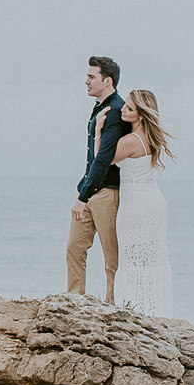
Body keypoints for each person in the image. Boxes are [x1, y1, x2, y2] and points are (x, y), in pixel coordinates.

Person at [112, 89, 175, 316]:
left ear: (140, 114)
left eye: (129, 108)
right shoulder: (151, 138)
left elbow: (104, 158)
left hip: (136, 206)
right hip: (153, 202)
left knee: (132, 259)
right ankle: (154, 310)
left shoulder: (130, 141)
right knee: (151, 261)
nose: (122, 110)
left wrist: (99, 131)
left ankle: (134, 309)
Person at [66, 56, 124, 301]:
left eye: (91, 77)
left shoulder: (116, 110)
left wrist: (82, 197)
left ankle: (113, 302)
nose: (86, 81)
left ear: (107, 81)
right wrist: (84, 190)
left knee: (111, 255)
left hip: (107, 191)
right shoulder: (99, 108)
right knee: (74, 247)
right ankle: (74, 300)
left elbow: (104, 158)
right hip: (90, 189)